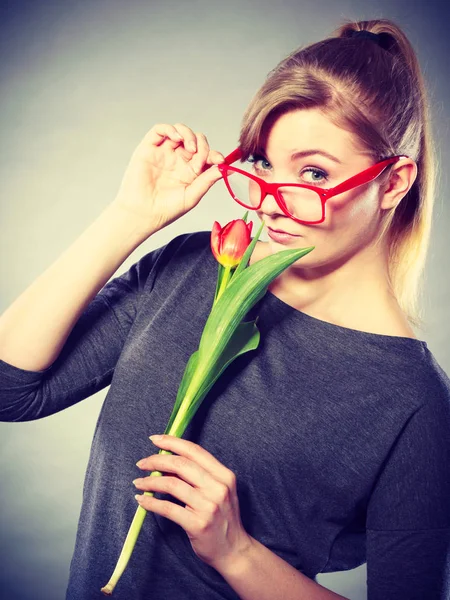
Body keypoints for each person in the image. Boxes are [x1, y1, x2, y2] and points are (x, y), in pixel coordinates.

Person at [1, 16, 449, 600]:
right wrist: (129, 217)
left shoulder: (412, 401)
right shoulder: (192, 271)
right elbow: (10, 390)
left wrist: (236, 551)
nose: (269, 201)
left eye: (313, 173)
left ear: (393, 184)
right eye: (262, 162)